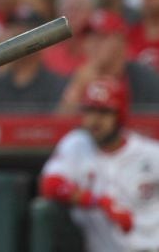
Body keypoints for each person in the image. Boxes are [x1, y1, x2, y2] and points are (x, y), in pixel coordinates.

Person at [40, 77, 159, 251]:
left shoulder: (150, 154)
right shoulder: (77, 144)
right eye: (90, 111)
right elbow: (50, 185)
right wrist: (99, 202)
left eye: (104, 112)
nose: (95, 120)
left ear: (120, 114)